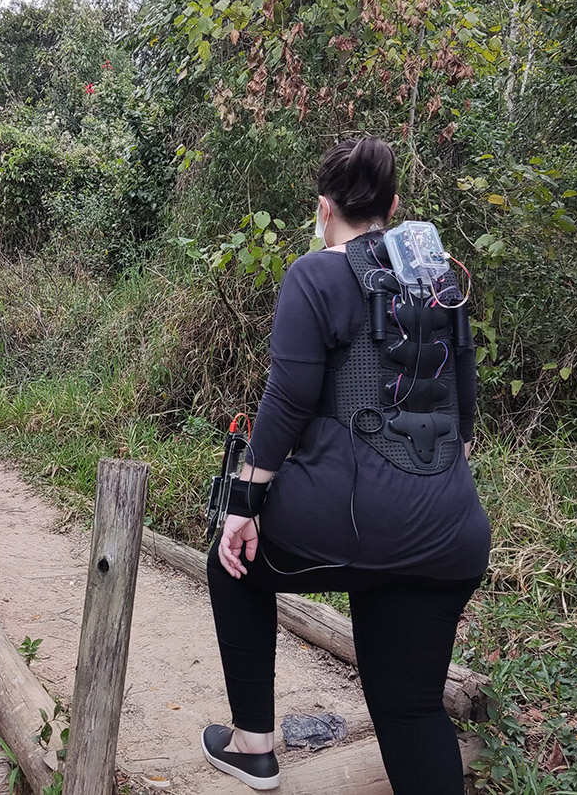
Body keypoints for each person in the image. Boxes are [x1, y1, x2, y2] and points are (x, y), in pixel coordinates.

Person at [201, 137, 490, 794]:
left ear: (324, 209)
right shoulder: (440, 278)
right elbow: (463, 420)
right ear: (393, 206)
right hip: (452, 530)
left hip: (353, 522)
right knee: (411, 708)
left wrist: (243, 506)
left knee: (232, 560)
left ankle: (253, 746)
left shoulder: (316, 274)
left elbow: (288, 399)